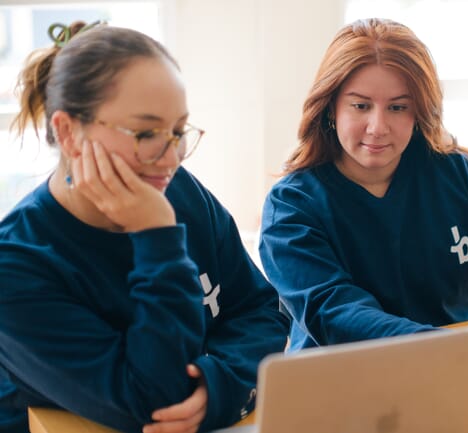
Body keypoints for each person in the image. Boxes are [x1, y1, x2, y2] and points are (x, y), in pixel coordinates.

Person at [258, 18, 468, 393]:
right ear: (330, 108)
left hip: (467, 379)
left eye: (398, 108)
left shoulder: (462, 177)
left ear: (419, 111)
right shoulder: (291, 207)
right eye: (360, 105)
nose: (377, 126)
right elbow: (338, 316)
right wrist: (460, 352)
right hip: (345, 389)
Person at [0, 21, 289, 433]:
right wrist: (157, 237)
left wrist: (219, 383)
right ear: (68, 133)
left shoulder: (180, 191)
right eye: (147, 132)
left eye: (177, 131)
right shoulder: (16, 267)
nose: (171, 158)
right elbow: (155, 402)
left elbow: (262, 310)